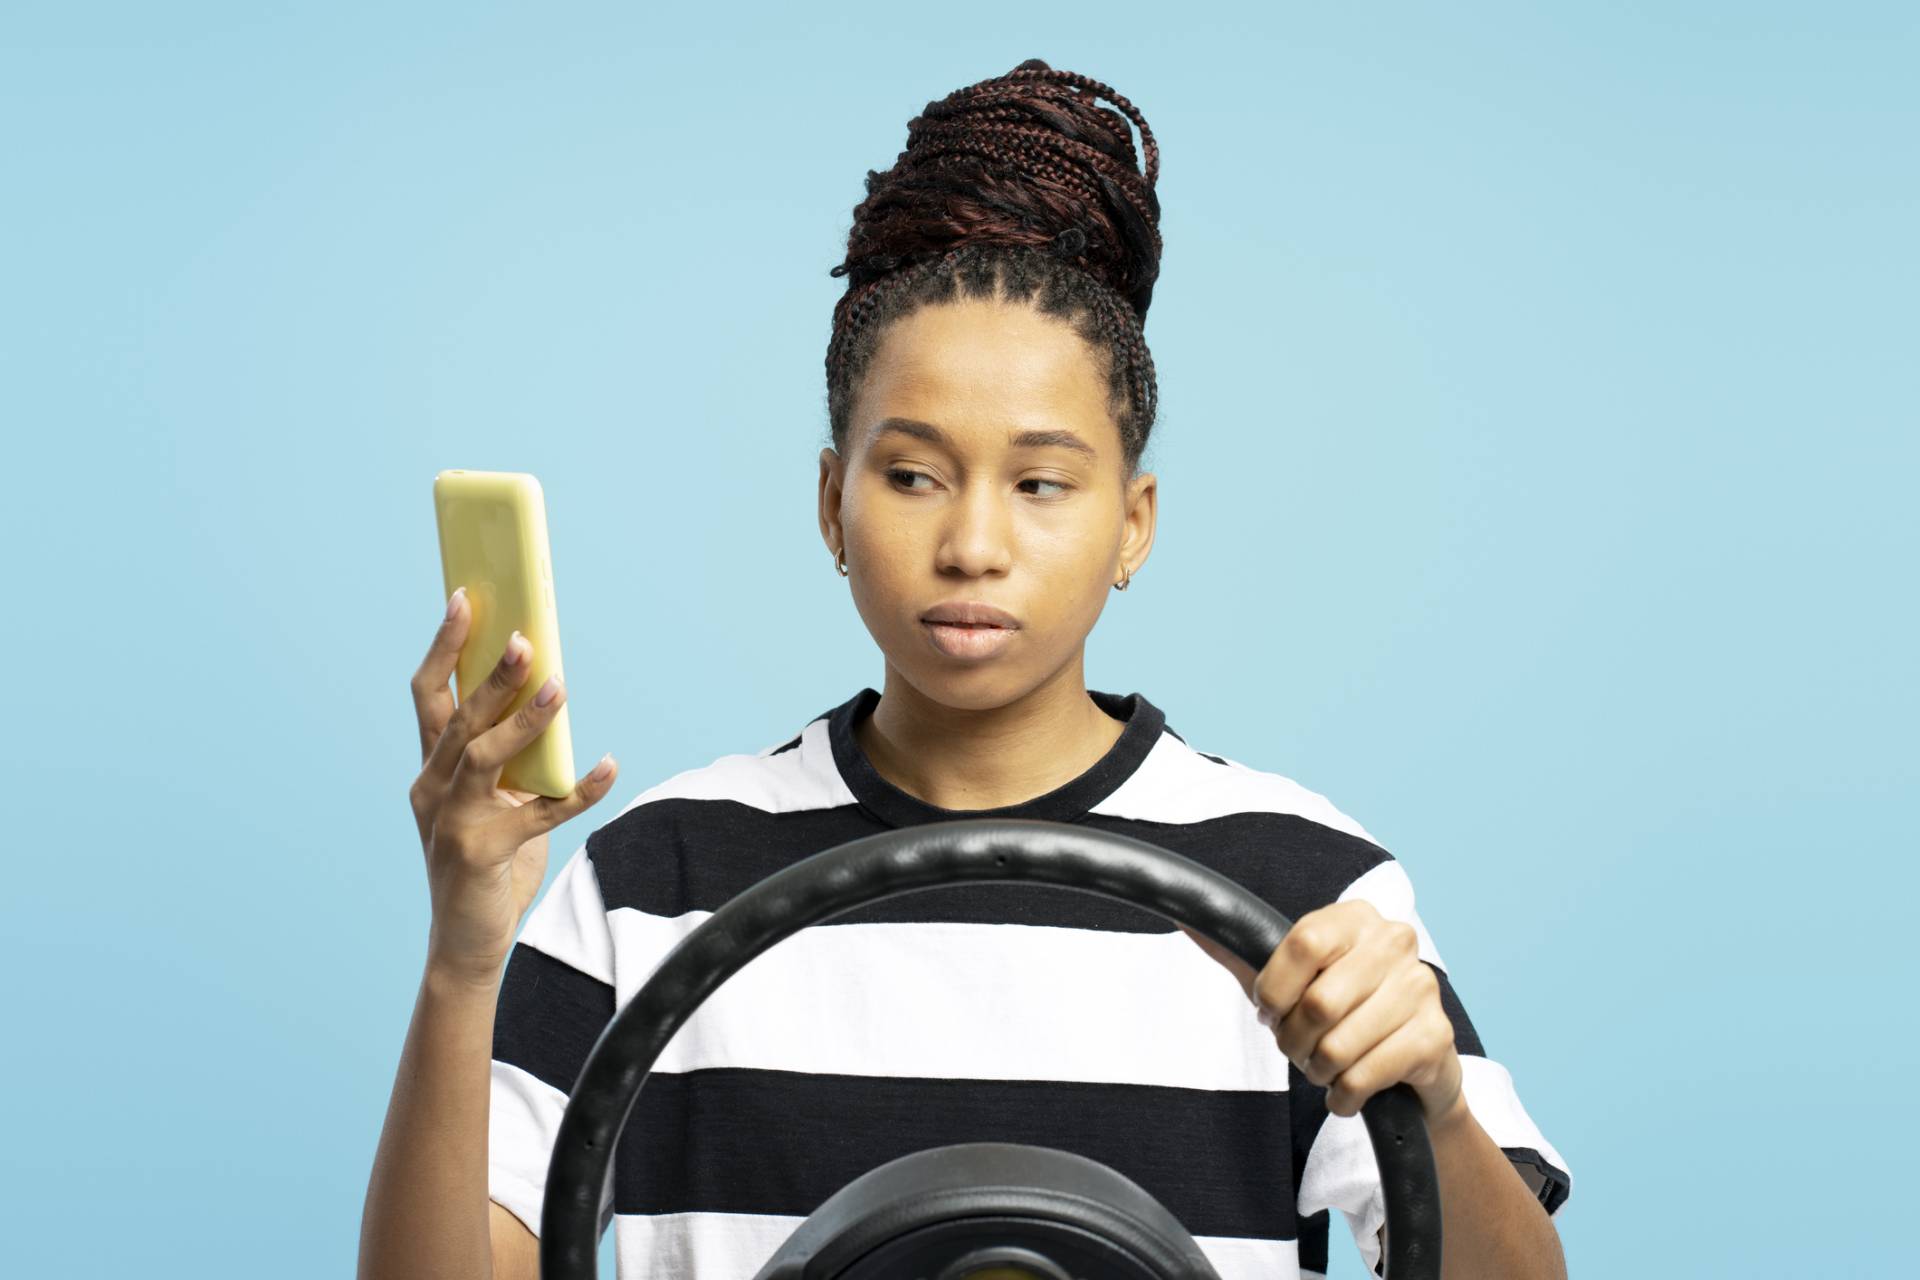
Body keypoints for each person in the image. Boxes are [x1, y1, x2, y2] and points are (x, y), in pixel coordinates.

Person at [358, 60, 1571, 1280]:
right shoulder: (654, 877)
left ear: (1133, 523)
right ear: (833, 504)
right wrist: (465, 959)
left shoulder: (1307, 888)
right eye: (913, 475)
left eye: (1040, 483)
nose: (974, 545)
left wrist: (1435, 1102)